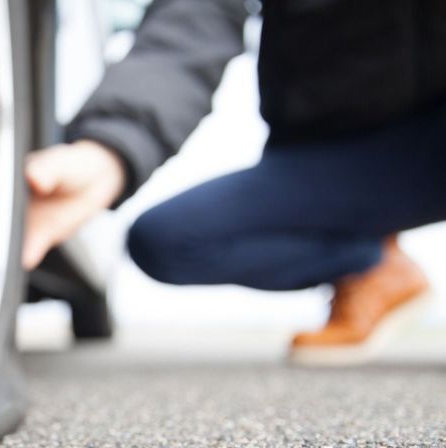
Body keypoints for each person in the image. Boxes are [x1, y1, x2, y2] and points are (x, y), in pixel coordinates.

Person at [24, 0, 446, 365]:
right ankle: (374, 268)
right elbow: (192, 21)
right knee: (167, 239)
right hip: (330, 156)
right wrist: (111, 148)